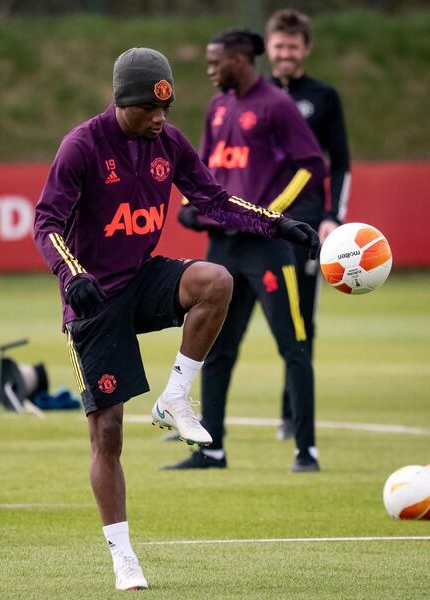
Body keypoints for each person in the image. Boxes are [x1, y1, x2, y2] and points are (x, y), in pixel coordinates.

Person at [33, 47, 318, 591]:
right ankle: (123, 555)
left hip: (140, 279)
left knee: (216, 281)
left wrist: (278, 225)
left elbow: (213, 199)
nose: (162, 117)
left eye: (167, 106)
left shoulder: (168, 143)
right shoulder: (82, 146)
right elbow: (45, 223)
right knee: (108, 432)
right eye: (150, 108)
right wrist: (73, 277)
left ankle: (176, 398)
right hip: (92, 297)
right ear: (124, 103)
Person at [168, 29, 326, 473]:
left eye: (215, 62)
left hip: (268, 249)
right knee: (216, 348)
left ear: (239, 60)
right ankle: (211, 450)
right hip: (223, 247)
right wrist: (186, 205)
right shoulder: (218, 107)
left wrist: (268, 215)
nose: (209, 70)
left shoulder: (277, 105)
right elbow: (201, 164)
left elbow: (313, 165)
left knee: (293, 345)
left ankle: (306, 450)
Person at [266, 9, 352, 441]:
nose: (285, 53)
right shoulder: (253, 95)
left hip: (304, 228)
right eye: (279, 46)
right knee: (223, 319)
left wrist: (332, 217)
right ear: (268, 47)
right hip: (256, 223)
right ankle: (204, 419)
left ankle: (291, 415)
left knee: (299, 323)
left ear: (305, 49)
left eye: (292, 46)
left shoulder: (323, 97)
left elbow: (341, 164)